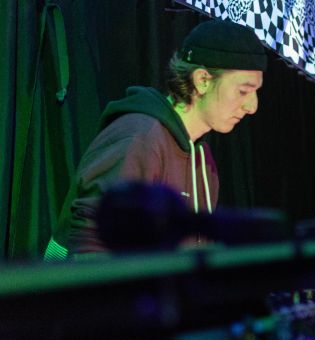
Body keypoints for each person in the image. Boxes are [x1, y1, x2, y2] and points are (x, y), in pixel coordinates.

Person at [43, 19, 266, 259]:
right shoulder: (140, 138)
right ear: (202, 80)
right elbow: (91, 248)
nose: (252, 106)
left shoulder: (204, 161)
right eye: (243, 91)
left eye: (256, 92)